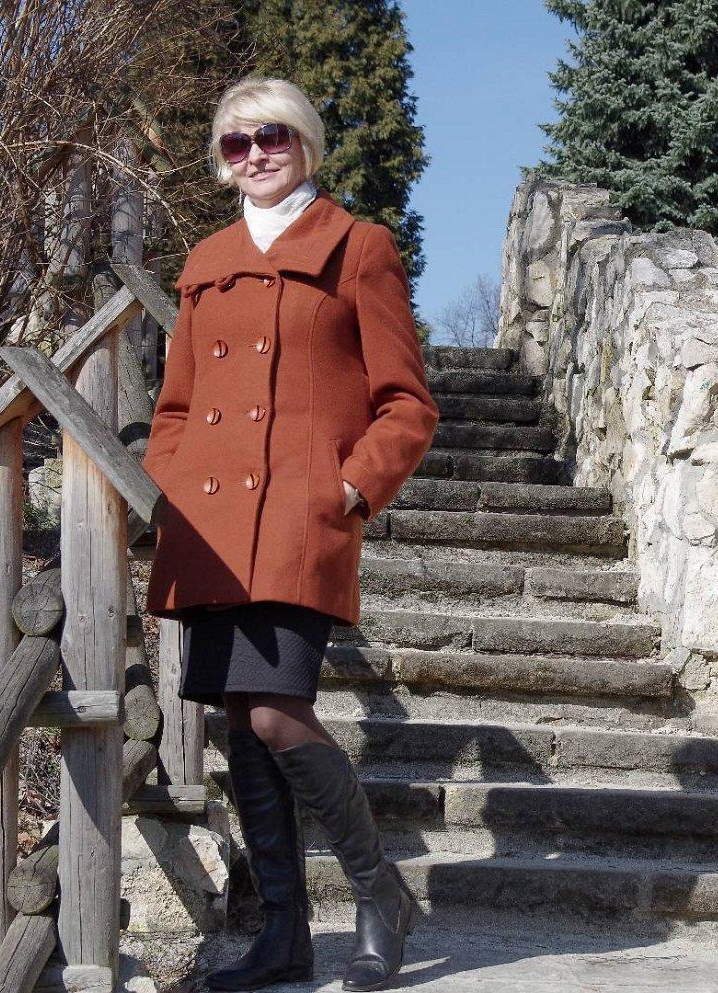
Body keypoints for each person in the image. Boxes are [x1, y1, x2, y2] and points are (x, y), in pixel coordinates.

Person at [142, 75, 439, 992]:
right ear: (222, 162)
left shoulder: (358, 246)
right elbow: (176, 408)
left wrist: (348, 488)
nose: (256, 154)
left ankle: (380, 892)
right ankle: (284, 935)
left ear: (306, 143)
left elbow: (407, 403)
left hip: (298, 519)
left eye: (272, 135)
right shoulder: (206, 261)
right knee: (240, 720)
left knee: (275, 710)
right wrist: (171, 484)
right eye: (236, 143)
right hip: (211, 526)